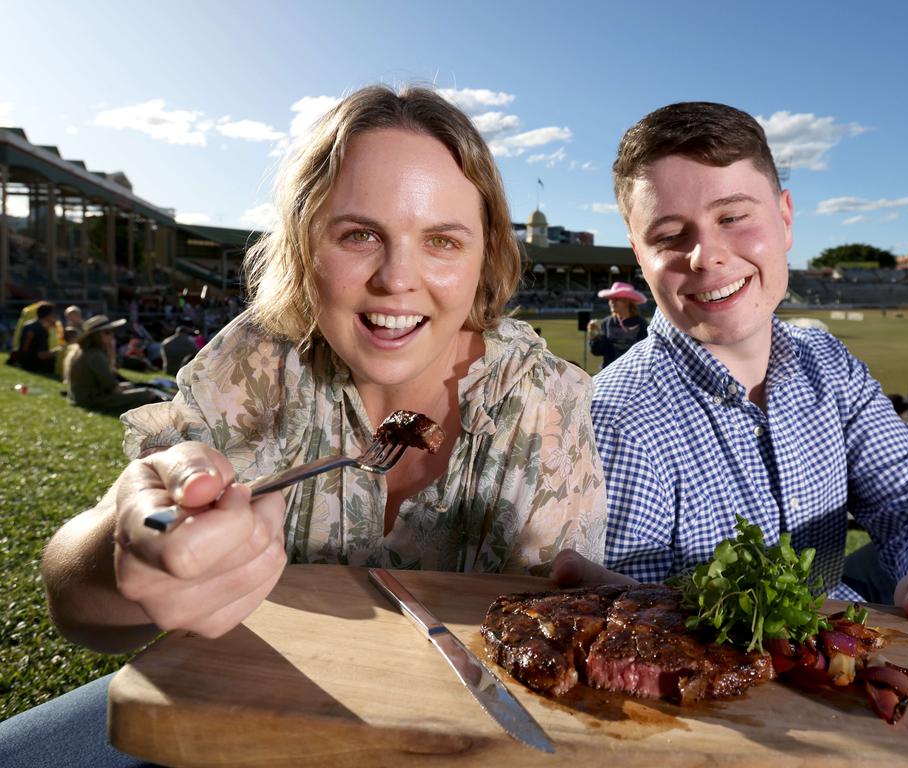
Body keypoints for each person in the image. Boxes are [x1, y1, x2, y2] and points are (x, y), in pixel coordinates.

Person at [2, 86, 607, 766]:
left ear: (484, 256)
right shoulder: (255, 365)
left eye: (441, 240)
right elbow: (74, 601)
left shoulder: (545, 404)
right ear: (303, 241)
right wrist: (123, 554)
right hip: (251, 723)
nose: (397, 279)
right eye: (359, 234)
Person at [583, 100, 908, 653]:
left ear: (785, 219)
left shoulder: (825, 362)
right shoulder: (618, 420)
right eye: (669, 234)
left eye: (733, 217)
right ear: (639, 257)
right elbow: (633, 632)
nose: (706, 255)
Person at [63, 315, 172, 414]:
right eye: (107, 332)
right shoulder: (95, 355)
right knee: (148, 393)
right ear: (95, 336)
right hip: (91, 399)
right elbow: (111, 386)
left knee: (135, 387)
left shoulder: (83, 351)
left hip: (82, 397)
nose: (111, 336)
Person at [587, 281, 649, 368]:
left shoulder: (642, 324)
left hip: (633, 374)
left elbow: (645, 354)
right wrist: (594, 337)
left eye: (616, 299)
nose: (612, 302)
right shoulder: (606, 323)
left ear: (628, 301)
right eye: (610, 299)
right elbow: (597, 351)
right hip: (610, 375)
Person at [15, 302, 62, 375]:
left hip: (23, 362)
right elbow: (41, 355)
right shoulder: (41, 330)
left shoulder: (27, 325)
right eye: (53, 314)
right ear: (48, 315)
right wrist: (58, 351)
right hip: (34, 365)